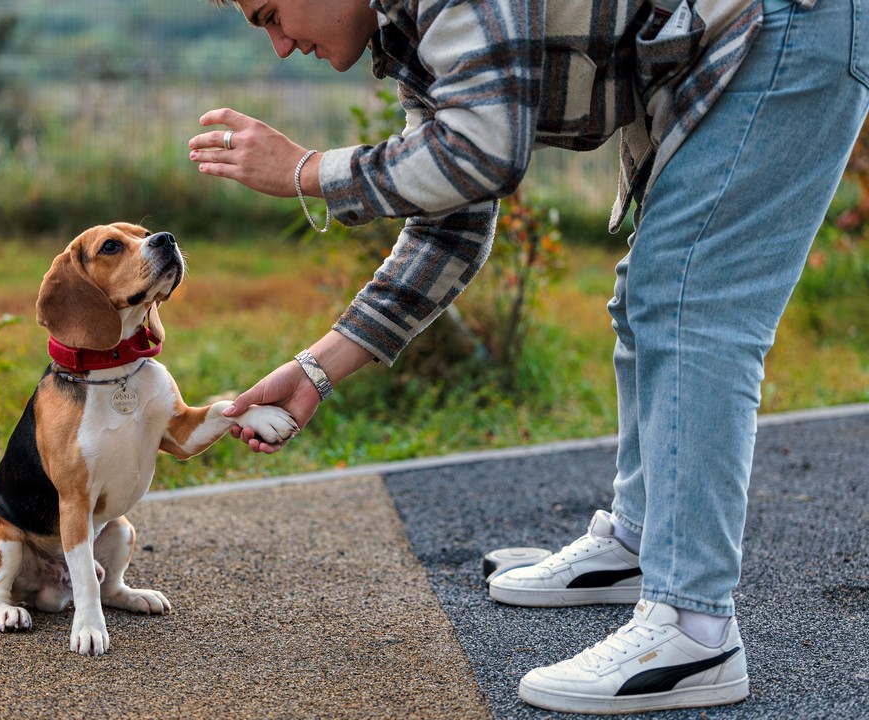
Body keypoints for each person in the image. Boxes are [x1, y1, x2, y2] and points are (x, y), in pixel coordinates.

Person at [187, 0, 869, 714]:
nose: (279, 45)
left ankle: (694, 627)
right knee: (649, 296)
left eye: (271, 14)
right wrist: (317, 369)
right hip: (744, 36)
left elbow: (481, 153)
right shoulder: (412, 32)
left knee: (689, 300)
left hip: (792, 23)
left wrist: (308, 170)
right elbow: (452, 220)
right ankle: (644, 544)